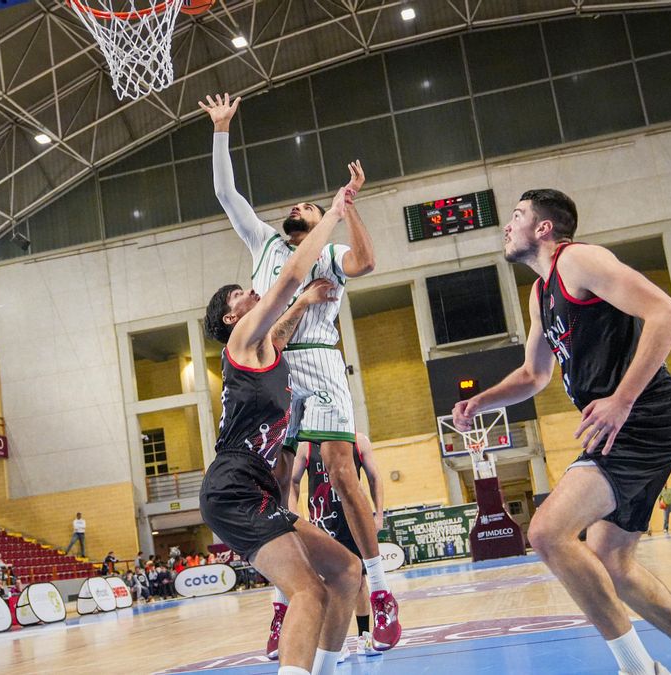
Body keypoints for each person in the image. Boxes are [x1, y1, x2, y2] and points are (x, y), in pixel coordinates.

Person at [452, 189, 671, 675]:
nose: (507, 227)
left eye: (518, 216)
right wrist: (479, 401)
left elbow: (667, 314)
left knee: (548, 532)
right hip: (627, 427)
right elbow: (534, 375)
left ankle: (637, 668)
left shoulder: (580, 261)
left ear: (544, 228)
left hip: (643, 419)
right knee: (615, 563)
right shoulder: (539, 292)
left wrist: (622, 399)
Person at [203, 92, 400, 656]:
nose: (300, 207)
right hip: (277, 363)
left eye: (310, 207)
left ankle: (380, 590)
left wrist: (350, 207)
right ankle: (283, 603)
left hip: (318, 356)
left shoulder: (329, 251)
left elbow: (365, 264)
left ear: (316, 221)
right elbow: (225, 193)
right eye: (301, 208)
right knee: (279, 481)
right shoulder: (264, 242)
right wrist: (222, 129)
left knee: (341, 472)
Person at [200, 184, 362, 675]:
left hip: (258, 492)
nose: (253, 291)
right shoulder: (243, 341)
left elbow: (288, 320)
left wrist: (309, 302)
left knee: (345, 570)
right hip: (233, 490)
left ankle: (328, 669)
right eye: (242, 295)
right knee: (308, 590)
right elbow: (290, 275)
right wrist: (333, 214)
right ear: (234, 317)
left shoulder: (268, 347)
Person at [289, 432, 385, 657]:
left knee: (359, 581)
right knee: (328, 585)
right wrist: (294, 515)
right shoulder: (307, 446)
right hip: (322, 522)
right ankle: (336, 643)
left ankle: (365, 637)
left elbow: (375, 477)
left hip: (353, 521)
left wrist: (378, 515)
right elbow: (291, 481)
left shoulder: (357, 440)